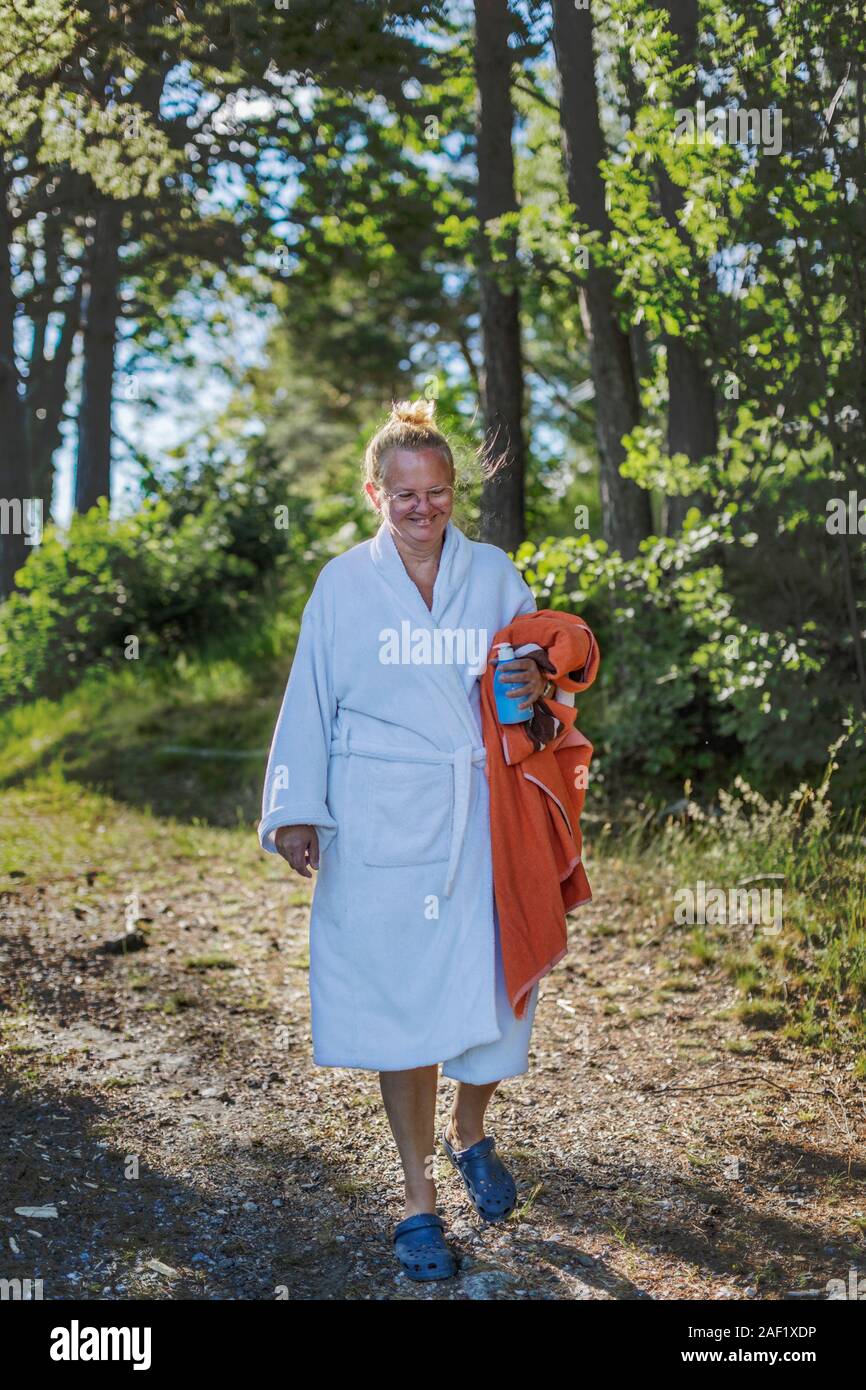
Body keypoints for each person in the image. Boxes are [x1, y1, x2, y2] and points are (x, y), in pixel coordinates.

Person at [258, 399, 551, 1280]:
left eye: (438, 493)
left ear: (454, 492)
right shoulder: (344, 585)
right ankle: (418, 1199)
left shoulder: (497, 574)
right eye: (405, 494)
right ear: (376, 493)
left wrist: (539, 683)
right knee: (403, 1007)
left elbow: (542, 687)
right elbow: (308, 699)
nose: (423, 508)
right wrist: (298, 806)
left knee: (497, 995)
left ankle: (472, 1132)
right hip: (383, 821)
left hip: (480, 816)